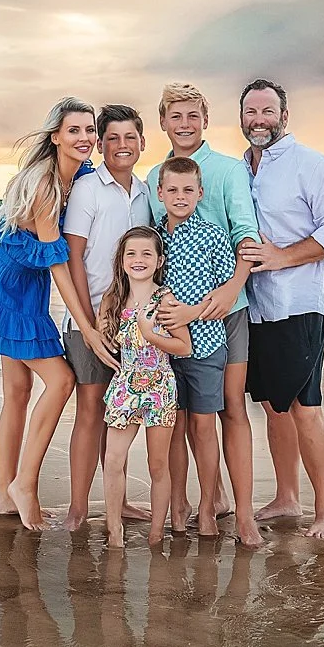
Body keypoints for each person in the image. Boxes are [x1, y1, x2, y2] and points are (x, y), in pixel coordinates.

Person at [0, 97, 116, 531]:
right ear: (55, 137)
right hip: (10, 291)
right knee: (61, 381)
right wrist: (86, 327)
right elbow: (58, 265)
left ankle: (2, 496)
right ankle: (24, 485)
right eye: (74, 130)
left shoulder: (78, 175)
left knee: (17, 391)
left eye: (90, 130)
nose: (84, 138)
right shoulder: (46, 186)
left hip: (22, 289)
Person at [236, 79, 324, 539]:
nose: (259, 120)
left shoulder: (313, 165)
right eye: (251, 112)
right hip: (256, 308)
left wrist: (283, 256)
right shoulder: (241, 170)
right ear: (241, 117)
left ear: (284, 116)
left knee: (306, 408)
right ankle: (287, 497)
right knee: (274, 407)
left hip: (300, 306)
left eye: (268, 111)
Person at [147, 82, 263, 546]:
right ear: (163, 122)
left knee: (229, 407)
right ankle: (198, 502)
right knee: (178, 414)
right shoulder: (154, 176)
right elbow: (150, 243)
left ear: (206, 120)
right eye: (175, 116)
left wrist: (232, 290)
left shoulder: (230, 170)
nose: (185, 124)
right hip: (173, 318)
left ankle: (244, 514)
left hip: (226, 310)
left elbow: (246, 234)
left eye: (193, 115)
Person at [61, 105, 154, 532]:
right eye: (112, 138)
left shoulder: (146, 192)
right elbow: (73, 257)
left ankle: (119, 502)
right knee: (90, 410)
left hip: (133, 322)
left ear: (142, 142)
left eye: (130, 137)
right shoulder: (87, 189)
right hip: (89, 318)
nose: (122, 145)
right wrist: (89, 322)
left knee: (121, 414)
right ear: (100, 144)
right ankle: (78, 509)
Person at [154, 156, 235, 536]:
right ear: (160, 193)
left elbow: (227, 294)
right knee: (173, 428)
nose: (180, 196)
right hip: (164, 351)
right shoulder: (153, 238)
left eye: (188, 190)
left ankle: (207, 506)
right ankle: (178, 503)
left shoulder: (213, 236)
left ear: (200, 193)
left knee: (203, 426)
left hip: (205, 346)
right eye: (172, 189)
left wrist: (191, 313)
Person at [99, 226, 191, 547]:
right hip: (125, 386)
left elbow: (184, 346)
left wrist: (150, 334)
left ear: (159, 260)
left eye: (146, 254)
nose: (138, 260)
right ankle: (114, 531)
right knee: (113, 459)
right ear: (122, 260)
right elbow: (105, 339)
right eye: (131, 254)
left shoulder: (164, 299)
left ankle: (156, 533)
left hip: (159, 387)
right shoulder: (113, 298)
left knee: (158, 464)